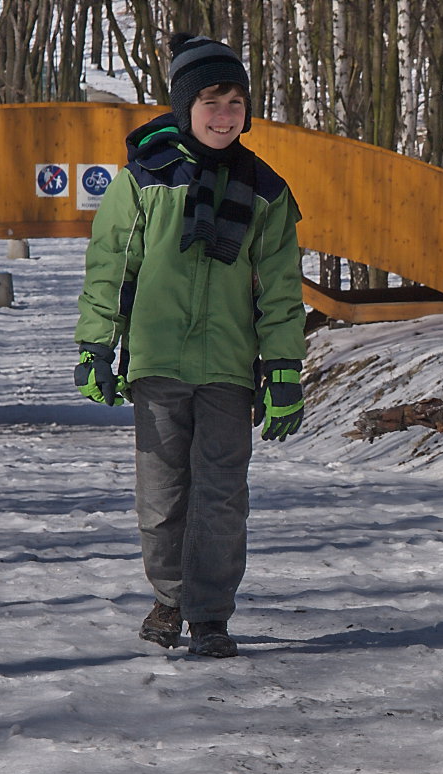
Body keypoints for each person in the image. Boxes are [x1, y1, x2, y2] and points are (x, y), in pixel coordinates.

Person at [74, 33, 306, 658]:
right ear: (185, 107)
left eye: (235, 102)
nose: (224, 115)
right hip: (157, 364)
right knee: (162, 497)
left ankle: (209, 614)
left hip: (230, 368)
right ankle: (169, 599)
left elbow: (280, 291)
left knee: (222, 497)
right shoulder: (145, 179)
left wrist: (284, 370)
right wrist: (97, 346)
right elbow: (110, 268)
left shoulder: (267, 190)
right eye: (211, 102)